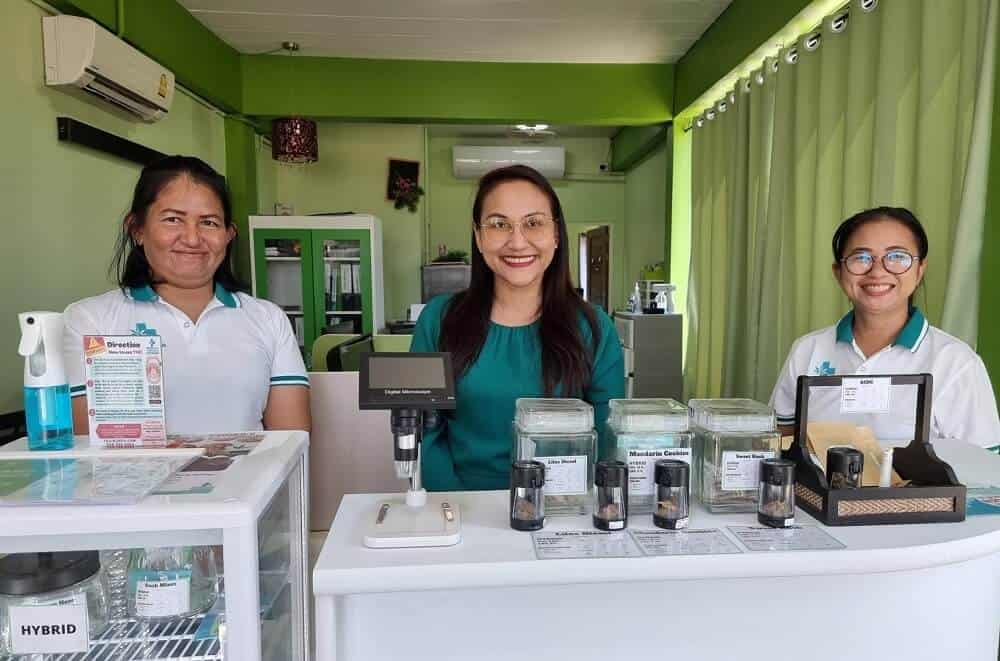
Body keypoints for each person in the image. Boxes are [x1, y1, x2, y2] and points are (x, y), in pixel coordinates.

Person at [411, 165, 625, 490]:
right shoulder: (439, 319)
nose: (517, 241)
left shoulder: (594, 328)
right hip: (462, 511)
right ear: (478, 236)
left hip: (563, 510)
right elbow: (424, 430)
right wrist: (459, 508)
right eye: (499, 224)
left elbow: (607, 433)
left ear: (555, 234)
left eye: (533, 223)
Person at [64, 156, 311, 434]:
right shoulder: (91, 321)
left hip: (252, 478)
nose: (192, 239)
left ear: (229, 235)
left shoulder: (269, 319)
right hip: (139, 478)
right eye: (173, 219)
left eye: (209, 223)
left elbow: (290, 440)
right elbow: (90, 446)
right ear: (137, 229)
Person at [770, 206, 999, 446]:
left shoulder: (955, 362)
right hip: (817, 485)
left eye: (897, 257)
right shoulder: (808, 349)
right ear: (838, 273)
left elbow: (983, 465)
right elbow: (780, 436)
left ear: (920, 270)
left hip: (921, 485)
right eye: (861, 258)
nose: (878, 271)